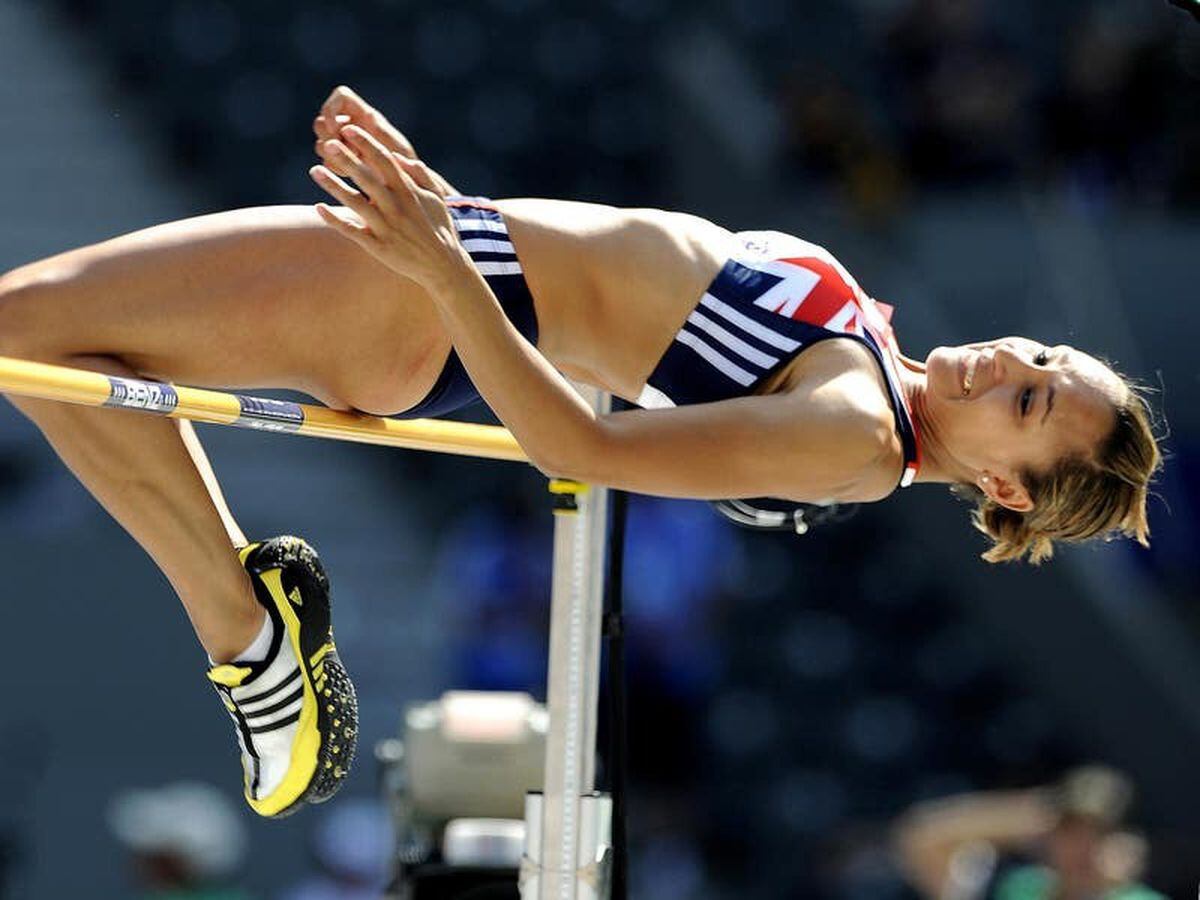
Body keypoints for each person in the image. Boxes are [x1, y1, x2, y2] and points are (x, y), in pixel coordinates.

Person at [0, 86, 1161, 818]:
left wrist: (440, 261)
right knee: (52, 344)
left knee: (22, 331)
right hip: (452, 273)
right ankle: (253, 639)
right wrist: (455, 223)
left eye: (1026, 405)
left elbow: (579, 444)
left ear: (1004, 485)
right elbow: (622, 302)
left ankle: (252, 647)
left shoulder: (856, 432)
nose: (1008, 364)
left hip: (426, 298)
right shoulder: (879, 364)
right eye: (1042, 357)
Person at [893, 765, 1167, 899]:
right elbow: (920, 836)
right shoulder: (1020, 889)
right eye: (1070, 832)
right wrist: (1031, 812)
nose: (1083, 848)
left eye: (1097, 834)